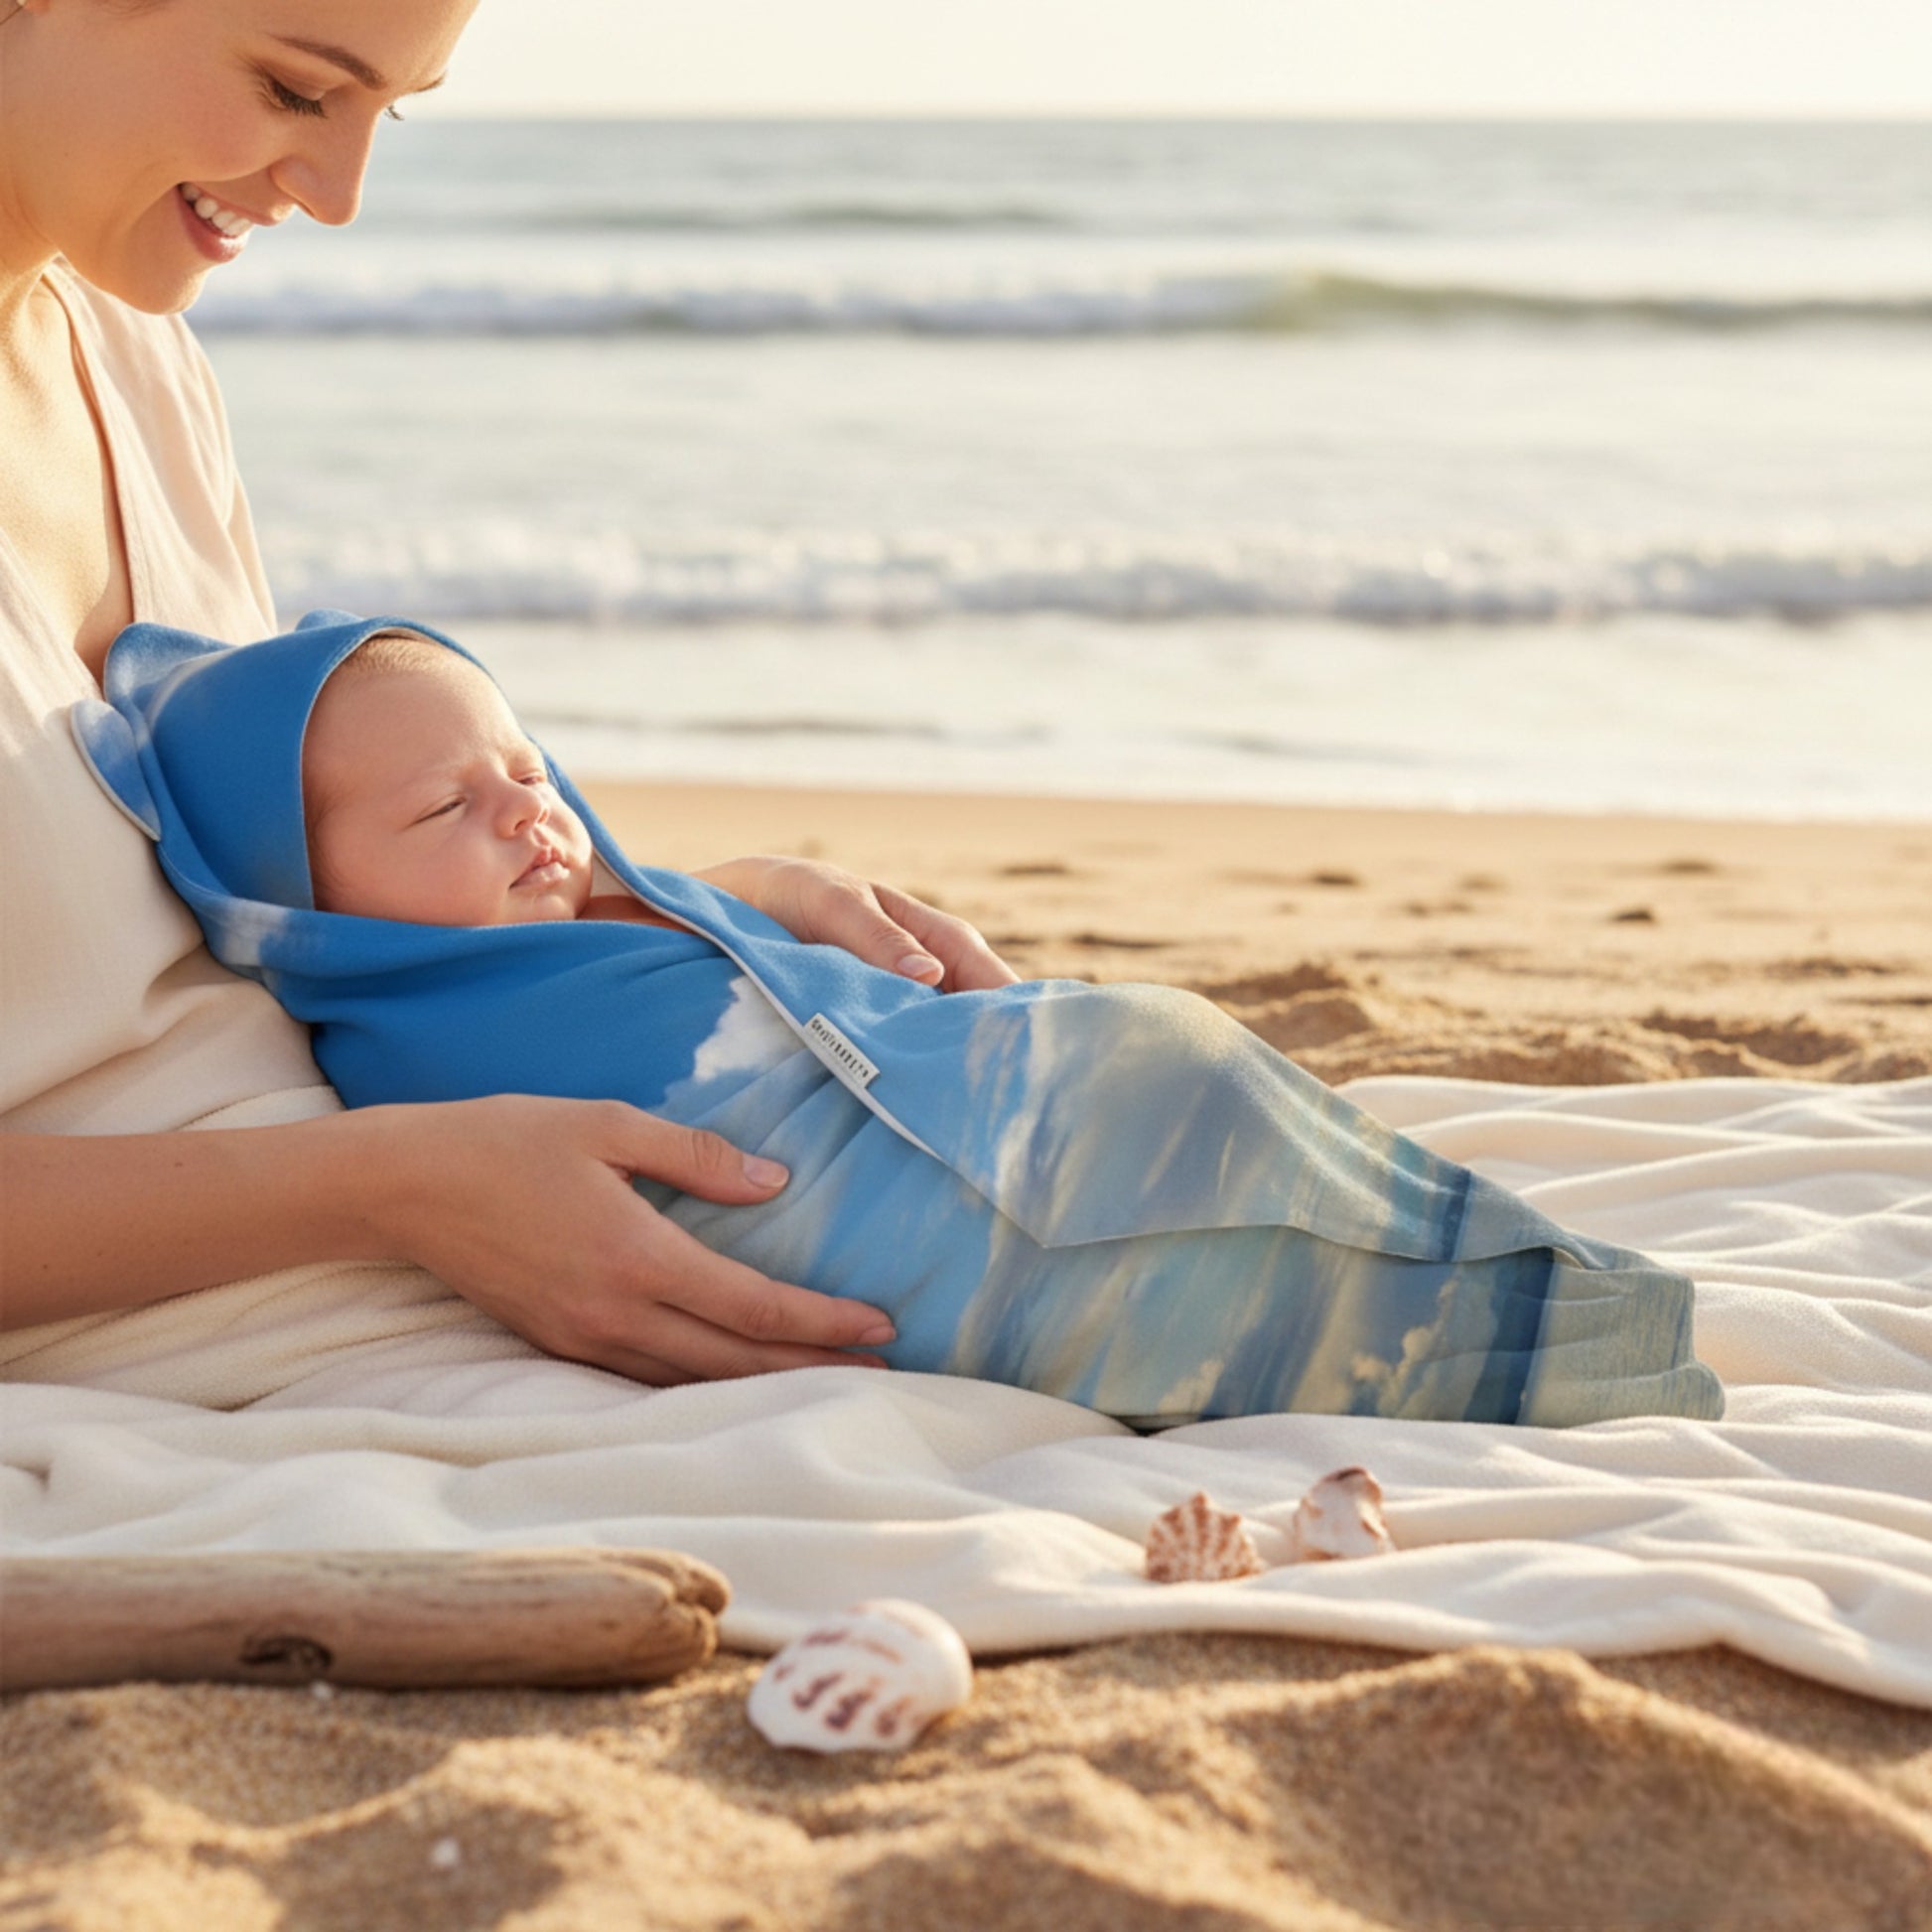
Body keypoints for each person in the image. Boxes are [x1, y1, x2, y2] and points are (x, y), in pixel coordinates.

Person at [0, 0, 1022, 1400]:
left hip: (473, 1221)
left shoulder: (132, 357)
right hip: (228, 1353)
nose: (342, 195)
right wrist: (394, 1187)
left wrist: (632, 910)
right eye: (299, 91)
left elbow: (229, 922)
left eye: (389, 112)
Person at [70, 610, 1725, 1427]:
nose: (531, 821)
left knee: (1173, 1068)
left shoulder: (578, 909)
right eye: (452, 812)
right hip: (874, 1219)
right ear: (300, 908)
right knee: (1163, 1201)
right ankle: (1517, 1342)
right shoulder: (408, 1043)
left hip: (980, 1080)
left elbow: (741, 974)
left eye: (532, 773)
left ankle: (1526, 1303)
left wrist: (716, 888)